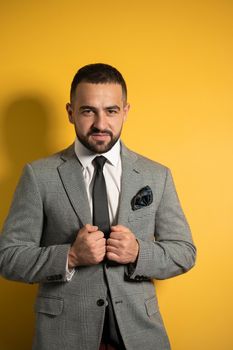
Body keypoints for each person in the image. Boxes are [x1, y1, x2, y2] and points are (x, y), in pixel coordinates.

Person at [0, 63, 196, 350]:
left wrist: (139, 252)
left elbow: (185, 252)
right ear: (70, 112)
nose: (101, 124)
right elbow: (8, 257)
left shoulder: (157, 175)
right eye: (88, 110)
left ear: (125, 111)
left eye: (111, 111)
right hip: (63, 337)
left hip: (139, 336)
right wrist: (69, 256)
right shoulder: (38, 175)